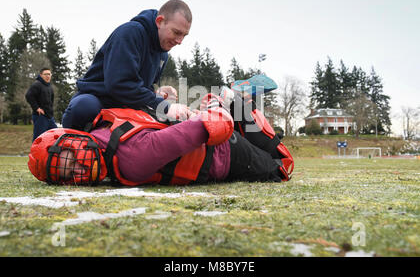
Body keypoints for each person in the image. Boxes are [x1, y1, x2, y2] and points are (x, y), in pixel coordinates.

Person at [28, 90, 294, 186]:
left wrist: (216, 109)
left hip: (227, 152)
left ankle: (236, 102)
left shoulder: (132, 158)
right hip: (213, 145)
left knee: (282, 168)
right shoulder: (102, 127)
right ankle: (236, 103)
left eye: (72, 156)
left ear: (76, 137)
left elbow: (211, 127)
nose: (80, 168)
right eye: (68, 173)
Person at [62, 0, 193, 131]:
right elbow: (120, 84)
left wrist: (156, 93)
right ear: (159, 21)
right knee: (84, 108)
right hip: (98, 99)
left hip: (128, 107)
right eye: (176, 32)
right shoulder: (130, 33)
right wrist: (165, 106)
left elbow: (138, 87)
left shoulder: (163, 54)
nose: (180, 41)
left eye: (184, 35)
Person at [25, 68, 58, 141]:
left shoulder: (50, 87)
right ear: (41, 75)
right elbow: (28, 96)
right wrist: (37, 108)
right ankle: (35, 152)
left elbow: (51, 102)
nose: (47, 76)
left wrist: (51, 112)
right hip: (40, 116)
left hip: (49, 117)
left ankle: (50, 152)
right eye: (45, 74)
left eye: (49, 74)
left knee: (56, 136)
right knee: (39, 138)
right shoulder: (37, 84)